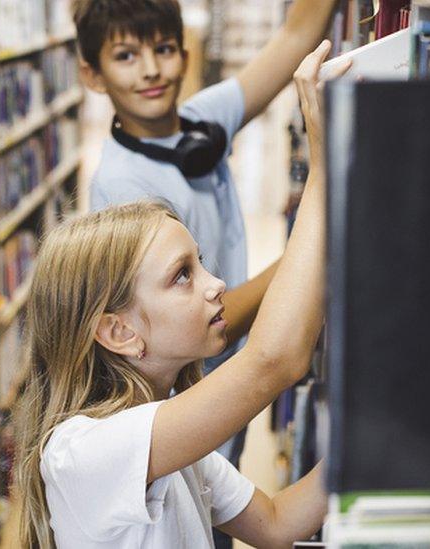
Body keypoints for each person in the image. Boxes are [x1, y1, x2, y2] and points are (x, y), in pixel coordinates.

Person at [12, 42, 348, 548]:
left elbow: (277, 523)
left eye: (201, 264)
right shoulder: (85, 450)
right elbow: (275, 359)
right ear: (119, 331)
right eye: (182, 276)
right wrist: (324, 168)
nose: (216, 286)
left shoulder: (170, 430)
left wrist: (376, 423)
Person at [76, 0, 338, 471]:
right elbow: (193, 316)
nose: (151, 70)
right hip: (186, 410)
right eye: (126, 56)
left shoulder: (200, 122)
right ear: (92, 75)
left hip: (226, 385)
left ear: (186, 53)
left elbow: (295, 39)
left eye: (164, 48)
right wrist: (308, 255)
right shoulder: (122, 190)